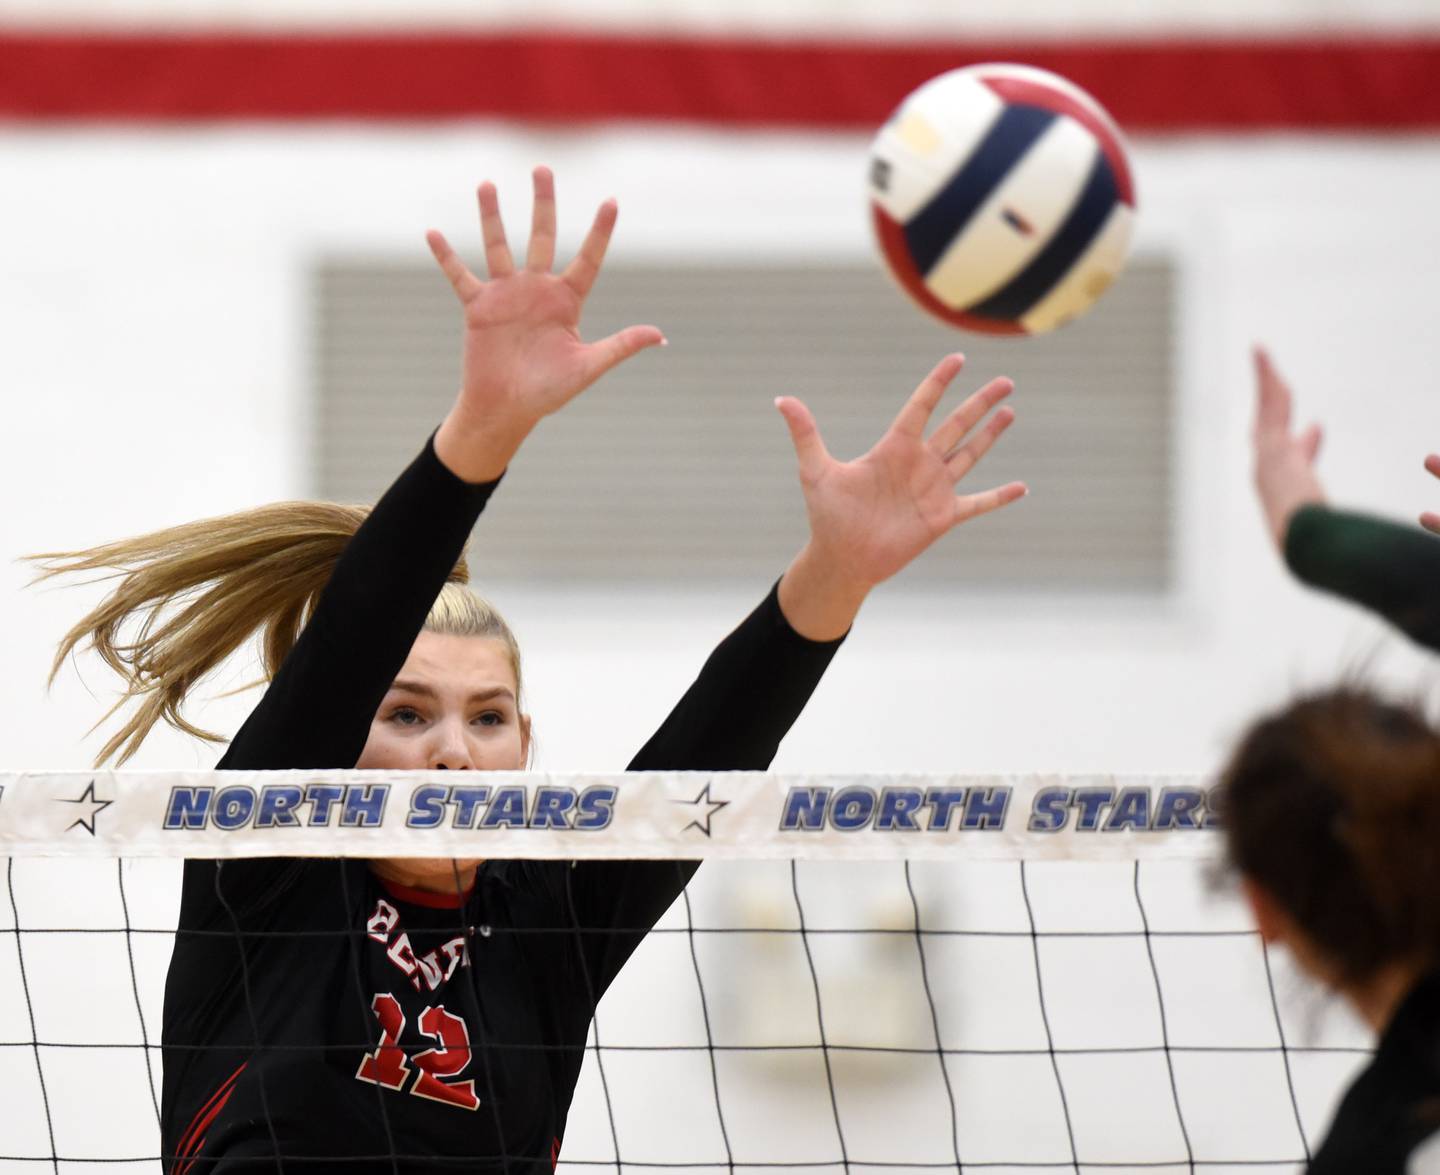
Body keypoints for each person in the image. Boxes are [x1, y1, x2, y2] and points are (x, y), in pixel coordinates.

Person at [33, 168, 1026, 1173]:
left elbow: (706, 755)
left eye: (489, 717)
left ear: (523, 747)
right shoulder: (265, 872)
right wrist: (484, 431)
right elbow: (354, 632)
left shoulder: (547, 922)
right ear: (334, 743)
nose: (454, 752)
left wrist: (837, 572)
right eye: (408, 714)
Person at [1230, 347, 1440, 1171]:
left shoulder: (1368, 1148)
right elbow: (1348, 554)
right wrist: (1300, 526)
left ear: (1264, 909)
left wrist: (1291, 509)